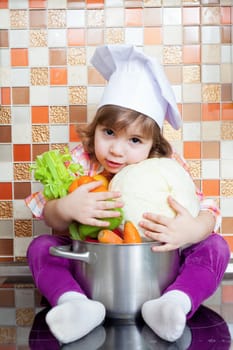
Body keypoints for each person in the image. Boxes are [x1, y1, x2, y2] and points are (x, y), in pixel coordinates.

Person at [25, 45, 230, 344]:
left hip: (156, 268)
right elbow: (46, 211)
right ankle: (74, 305)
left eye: (134, 140)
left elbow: (208, 210)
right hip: (91, 269)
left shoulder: (166, 166)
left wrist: (192, 228)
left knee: (216, 246)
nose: (117, 150)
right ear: (95, 128)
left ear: (152, 145)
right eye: (109, 133)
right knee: (41, 247)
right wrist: (66, 208)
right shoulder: (79, 161)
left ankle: (174, 303)